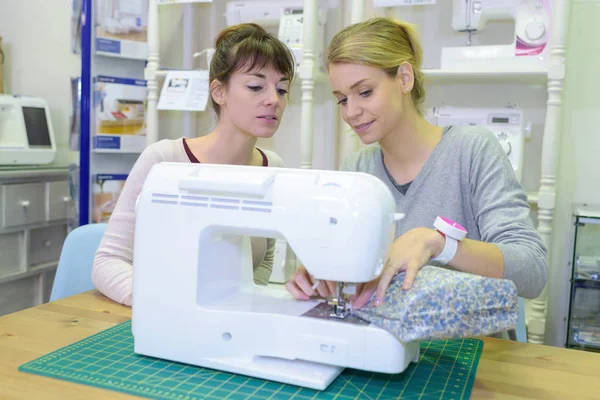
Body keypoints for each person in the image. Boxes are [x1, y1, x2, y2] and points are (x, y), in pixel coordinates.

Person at [285, 17, 548, 310]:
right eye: (342, 99)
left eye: (365, 92)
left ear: (405, 79)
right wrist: (318, 274)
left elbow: (533, 271)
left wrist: (439, 244)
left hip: (465, 346)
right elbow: (340, 264)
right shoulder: (357, 171)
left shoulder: (472, 151)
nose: (351, 112)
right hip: (384, 340)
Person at [92, 23, 296, 306]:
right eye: (255, 86)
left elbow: (262, 263)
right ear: (218, 92)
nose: (273, 100)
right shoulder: (164, 161)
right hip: (157, 319)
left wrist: (241, 304)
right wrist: (164, 303)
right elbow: (107, 262)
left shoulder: (274, 168)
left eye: (282, 89)